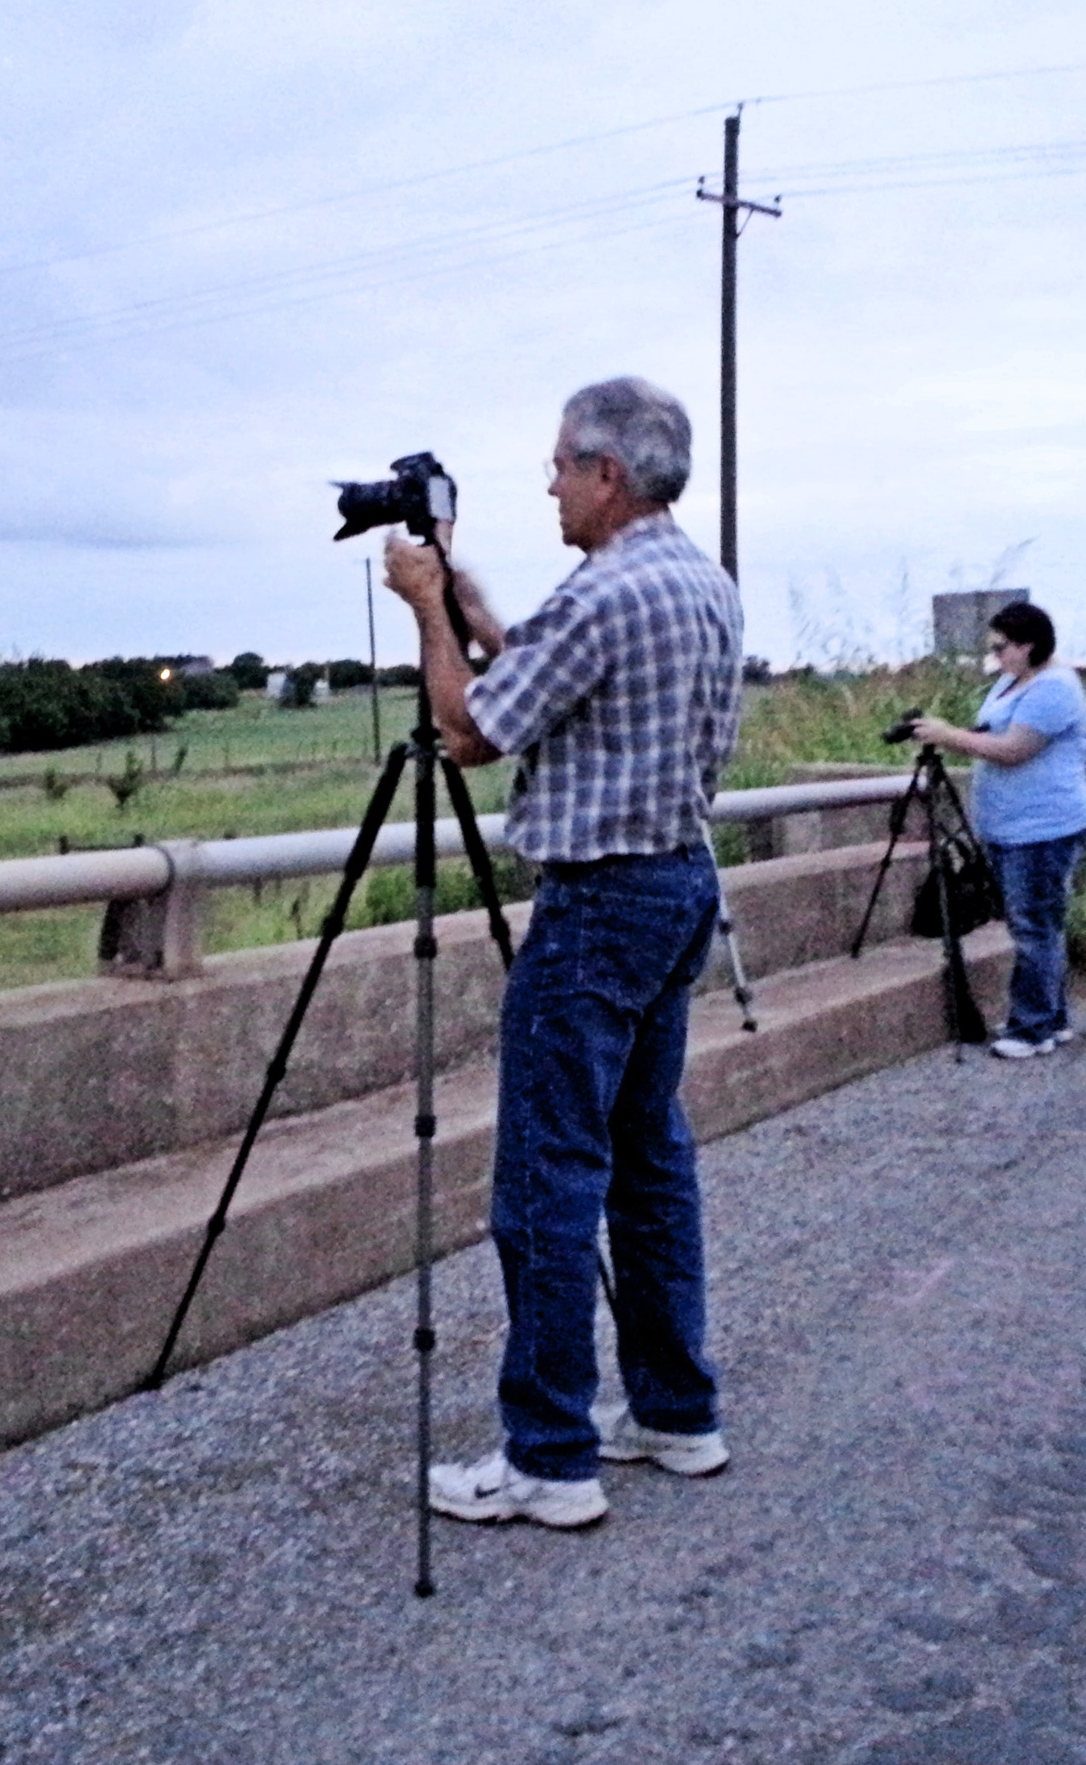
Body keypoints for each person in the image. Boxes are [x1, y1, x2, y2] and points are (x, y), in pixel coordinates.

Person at [381, 376, 743, 1531]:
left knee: (547, 1178)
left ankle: (547, 1455)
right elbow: (547, 684)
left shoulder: (601, 592)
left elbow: (472, 732)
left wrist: (426, 612)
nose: (545, 483)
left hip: (596, 905)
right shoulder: (695, 581)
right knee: (647, 1162)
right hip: (679, 884)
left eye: (556, 465)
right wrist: (475, 603)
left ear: (606, 474)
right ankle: (675, 1413)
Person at [910, 600, 1086, 1060]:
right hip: (1012, 827)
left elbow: (1014, 749)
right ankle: (1052, 1019)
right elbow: (992, 731)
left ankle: (1030, 1029)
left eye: (1001, 647)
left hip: (1043, 828)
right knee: (1041, 924)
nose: (995, 656)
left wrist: (947, 735)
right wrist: (955, 734)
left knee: (1033, 927)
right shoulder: (1014, 680)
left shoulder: (1055, 689)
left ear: (1028, 644)